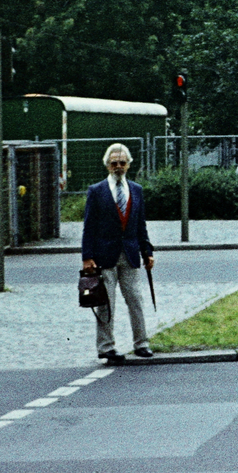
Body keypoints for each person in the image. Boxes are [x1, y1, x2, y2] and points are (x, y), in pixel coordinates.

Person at [81, 143, 155, 365]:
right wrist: (87, 257)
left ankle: (141, 344)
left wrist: (147, 251)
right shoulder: (97, 191)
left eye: (122, 163)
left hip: (131, 254)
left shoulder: (137, 190)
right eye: (114, 163)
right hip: (104, 256)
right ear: (107, 166)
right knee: (106, 303)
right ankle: (106, 347)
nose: (118, 166)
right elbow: (89, 226)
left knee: (135, 299)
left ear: (129, 165)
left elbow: (140, 224)